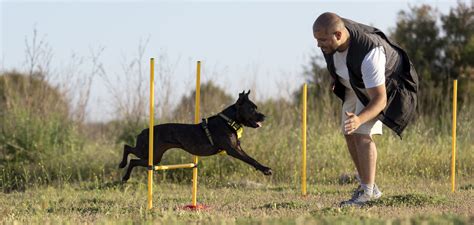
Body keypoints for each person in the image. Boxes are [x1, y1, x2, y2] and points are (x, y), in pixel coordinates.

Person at [312, 12, 418, 206]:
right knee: (349, 131)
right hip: (356, 82)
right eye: (317, 40)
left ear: (338, 35)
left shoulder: (370, 55)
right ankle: (368, 186)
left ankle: (368, 195)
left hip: (382, 85)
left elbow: (379, 100)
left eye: (322, 40)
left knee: (361, 131)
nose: (319, 45)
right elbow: (340, 60)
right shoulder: (331, 38)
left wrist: (360, 119)